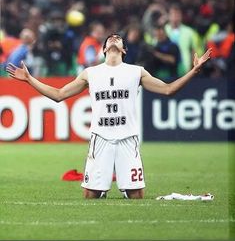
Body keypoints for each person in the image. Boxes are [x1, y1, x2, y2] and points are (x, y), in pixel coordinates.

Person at [6, 34, 212, 199]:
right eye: (109, 39)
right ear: (104, 49)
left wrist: (194, 71)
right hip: (101, 139)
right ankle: (101, 187)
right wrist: (30, 79)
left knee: (136, 195)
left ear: (123, 50)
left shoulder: (136, 72)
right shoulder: (91, 73)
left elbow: (168, 90)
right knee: (90, 195)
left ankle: (123, 185)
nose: (113, 39)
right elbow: (59, 95)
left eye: (118, 38)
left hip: (127, 139)